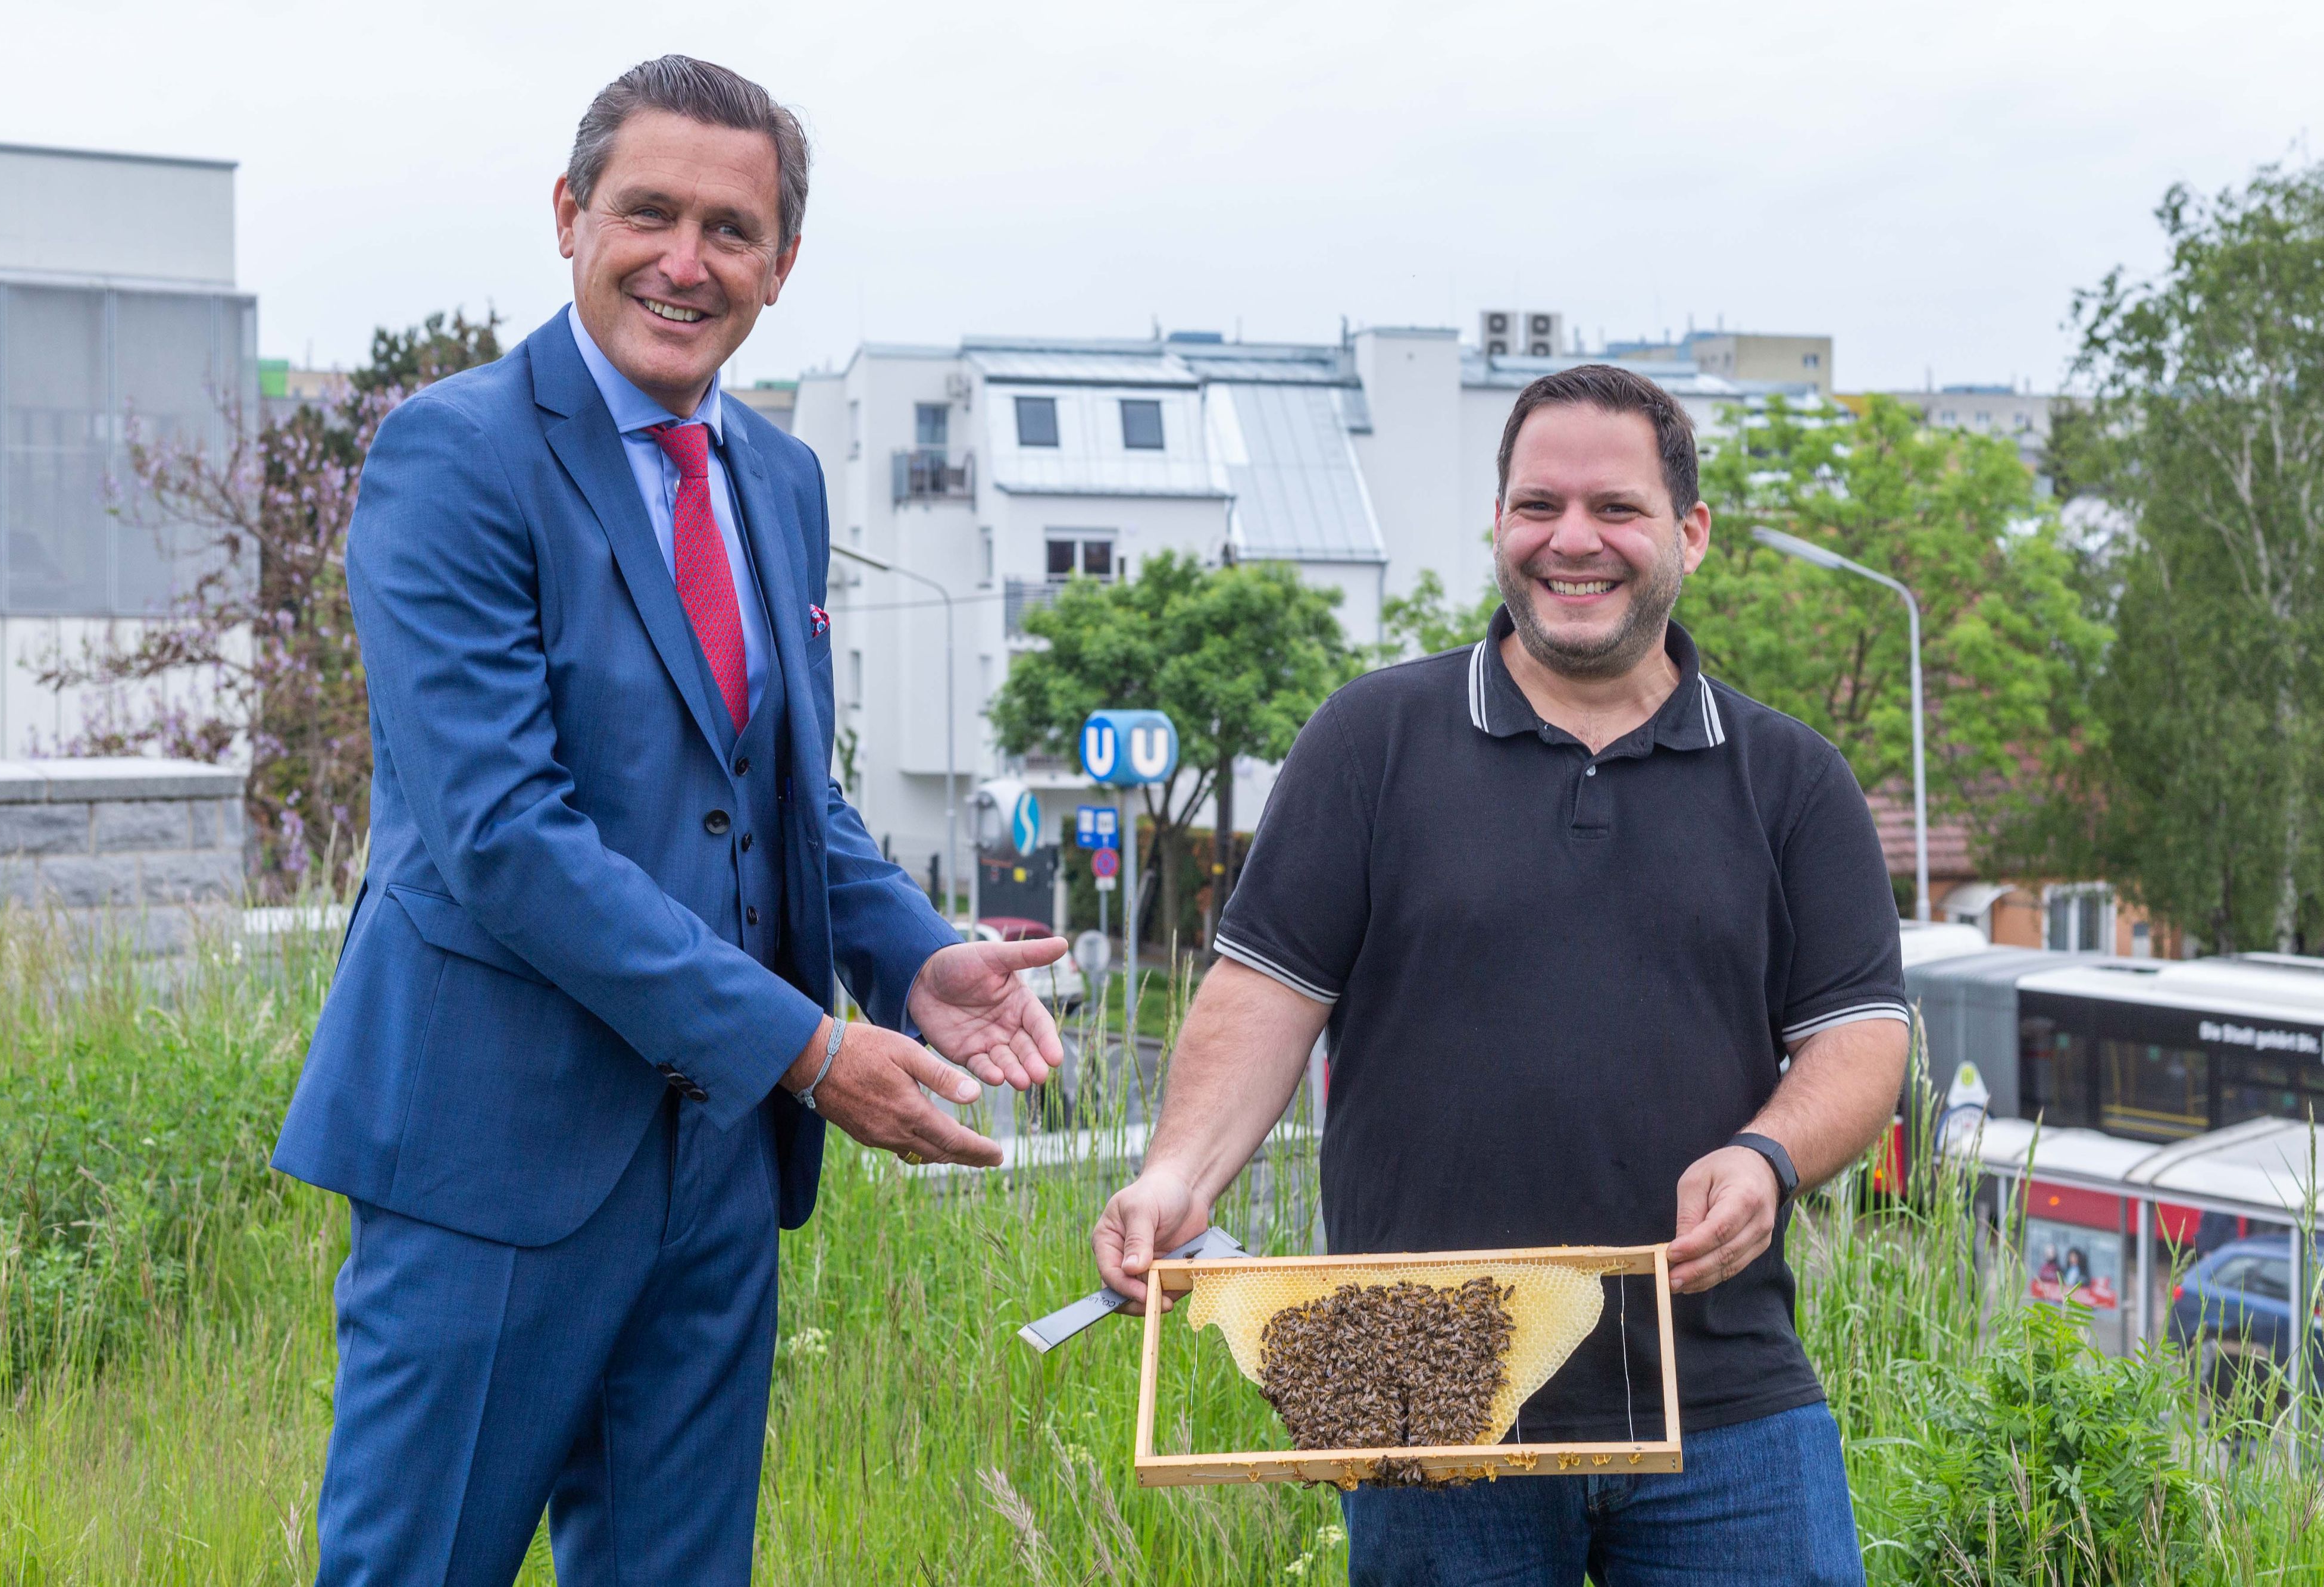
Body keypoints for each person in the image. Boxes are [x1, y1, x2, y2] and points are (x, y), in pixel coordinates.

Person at [273, 56, 1063, 1585]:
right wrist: (812, 1046)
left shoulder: (775, 472)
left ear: (780, 264)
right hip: (488, 1154)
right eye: (647, 213)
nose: (684, 262)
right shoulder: (454, 455)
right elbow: (502, 832)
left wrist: (907, 960)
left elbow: (777, 788)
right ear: (570, 217)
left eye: (731, 228)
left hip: (712, 1161)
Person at [1094, 365, 1912, 1586]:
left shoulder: (1790, 778)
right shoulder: (1368, 740)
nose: (1570, 540)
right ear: (1497, 525)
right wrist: (1175, 1174)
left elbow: (1858, 1039)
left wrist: (1767, 1153)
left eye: (1614, 509)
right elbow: (1263, 1000)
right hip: (1424, 1403)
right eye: (1536, 505)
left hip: (1722, 1401)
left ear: (1687, 532)